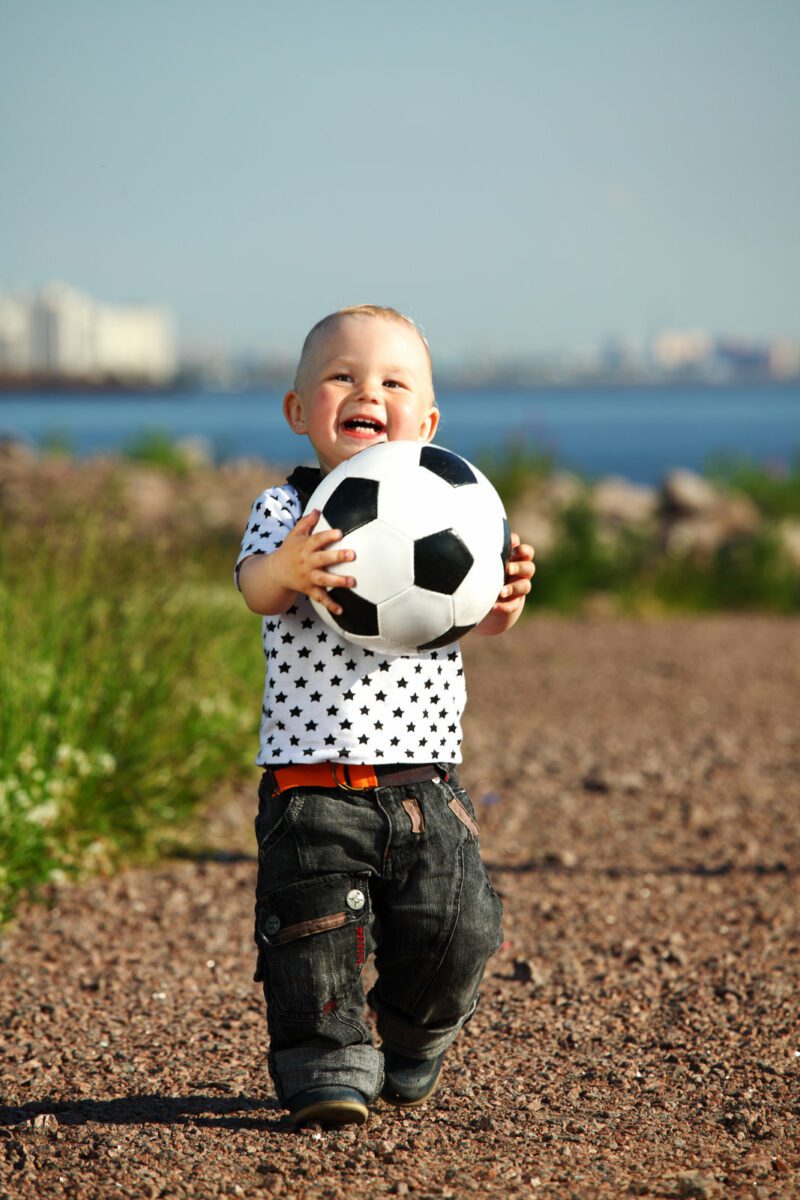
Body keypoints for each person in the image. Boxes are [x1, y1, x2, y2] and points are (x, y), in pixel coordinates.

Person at [236, 305, 535, 1129]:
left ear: (427, 421)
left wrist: (504, 598)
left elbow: (473, 619)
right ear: (299, 413)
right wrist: (288, 567)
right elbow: (256, 588)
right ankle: (326, 1063)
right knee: (312, 933)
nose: (368, 391)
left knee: (459, 928)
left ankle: (413, 1036)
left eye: (393, 382)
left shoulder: (460, 504)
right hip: (311, 782)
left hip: (424, 784)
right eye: (342, 376)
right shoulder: (285, 508)